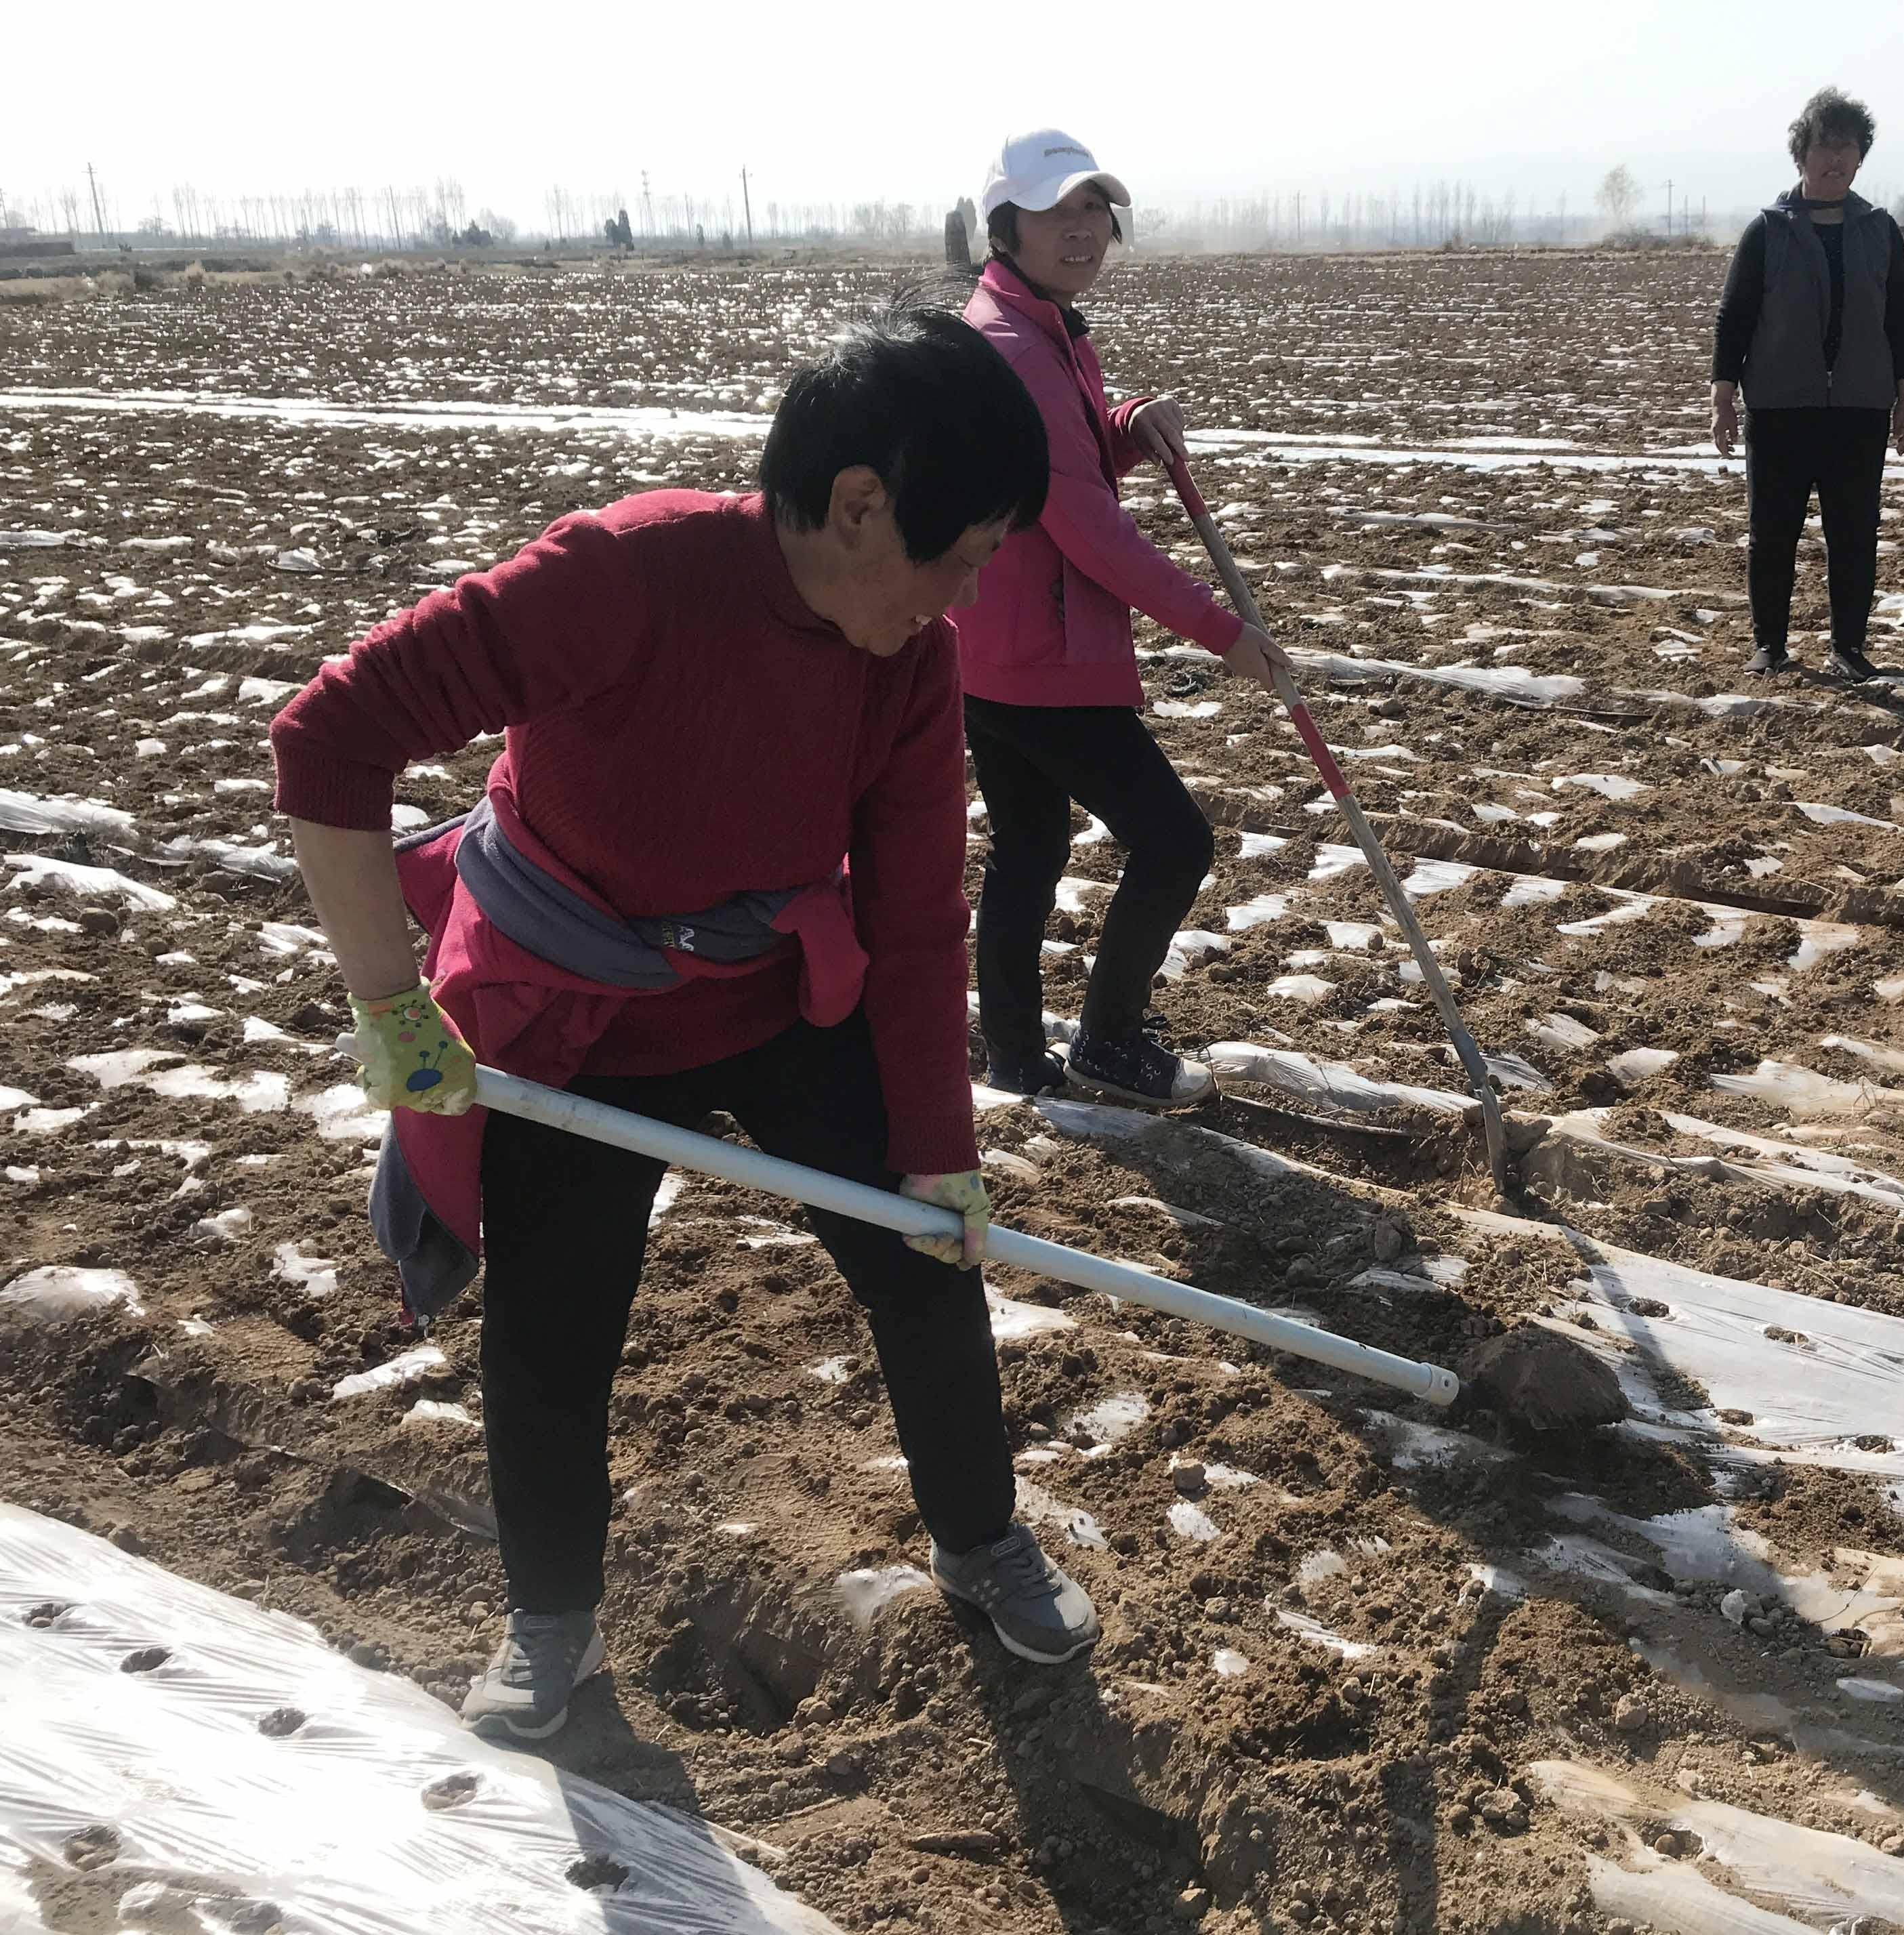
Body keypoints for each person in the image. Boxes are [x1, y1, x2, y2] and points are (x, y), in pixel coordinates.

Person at [267, 298, 1103, 1742]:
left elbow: (911, 922)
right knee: (549, 1331)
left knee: (924, 1261)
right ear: (858, 504)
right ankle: (551, 1628)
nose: (959, 602)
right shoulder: (623, 581)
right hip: (574, 1011)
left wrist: (941, 1150)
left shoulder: (904, 663)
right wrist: (389, 1005)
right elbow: (328, 735)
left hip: (777, 991)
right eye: (954, 559)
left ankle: (978, 1541)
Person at [958, 128, 1292, 1107]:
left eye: (1096, 210)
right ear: (1005, 224)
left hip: (1000, 644)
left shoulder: (1039, 324)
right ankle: (1106, 1041)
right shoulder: (1017, 345)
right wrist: (1224, 632)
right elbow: (1087, 528)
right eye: (1059, 211)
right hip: (1040, 651)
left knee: (1030, 843)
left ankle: (1016, 1050)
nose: (1084, 230)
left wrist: (1126, 419)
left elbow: (1065, 455)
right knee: (1175, 839)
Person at [1710, 85, 1904, 682]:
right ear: (1801, 155)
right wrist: (1723, 395)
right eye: (1824, 149)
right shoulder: (1768, 231)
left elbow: (1901, 316)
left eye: (1846, 149)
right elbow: (1735, 315)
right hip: (1780, 408)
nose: (1835, 160)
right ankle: (1769, 646)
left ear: (1861, 158)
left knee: (1853, 534)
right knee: (1771, 533)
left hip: (1859, 408)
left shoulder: (1880, 230)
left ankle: (1849, 647)